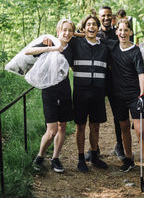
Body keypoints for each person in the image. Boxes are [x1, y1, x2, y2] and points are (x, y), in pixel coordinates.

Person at [108, 18, 144, 182]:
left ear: (130, 32)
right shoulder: (112, 46)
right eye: (120, 30)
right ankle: (129, 159)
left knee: (141, 132)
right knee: (124, 127)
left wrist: (142, 95)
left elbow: (141, 74)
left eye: (126, 30)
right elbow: (91, 37)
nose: (123, 33)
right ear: (116, 31)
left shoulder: (135, 51)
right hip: (118, 97)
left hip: (134, 96)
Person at [25, 19, 75, 173]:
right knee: (52, 129)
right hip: (49, 91)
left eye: (70, 30)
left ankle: (55, 158)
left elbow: (82, 36)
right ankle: (40, 156)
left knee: (63, 126)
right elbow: (28, 51)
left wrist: (79, 33)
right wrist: (51, 48)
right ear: (58, 31)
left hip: (65, 90)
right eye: (63, 30)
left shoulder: (72, 47)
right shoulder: (48, 43)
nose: (66, 33)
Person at [69, 14, 109, 173]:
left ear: (98, 28)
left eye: (94, 24)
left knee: (95, 126)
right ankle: (80, 159)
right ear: (84, 28)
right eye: (88, 25)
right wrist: (81, 33)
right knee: (80, 126)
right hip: (81, 90)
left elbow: (124, 44)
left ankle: (94, 155)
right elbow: (66, 33)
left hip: (98, 90)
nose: (91, 27)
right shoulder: (76, 43)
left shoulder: (105, 46)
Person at [95, 6, 126, 161]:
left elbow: (129, 47)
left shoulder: (118, 32)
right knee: (95, 116)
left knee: (118, 115)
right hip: (99, 81)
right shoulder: (94, 33)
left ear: (112, 17)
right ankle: (94, 148)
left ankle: (120, 146)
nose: (106, 18)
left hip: (116, 81)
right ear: (99, 17)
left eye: (108, 15)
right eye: (103, 15)